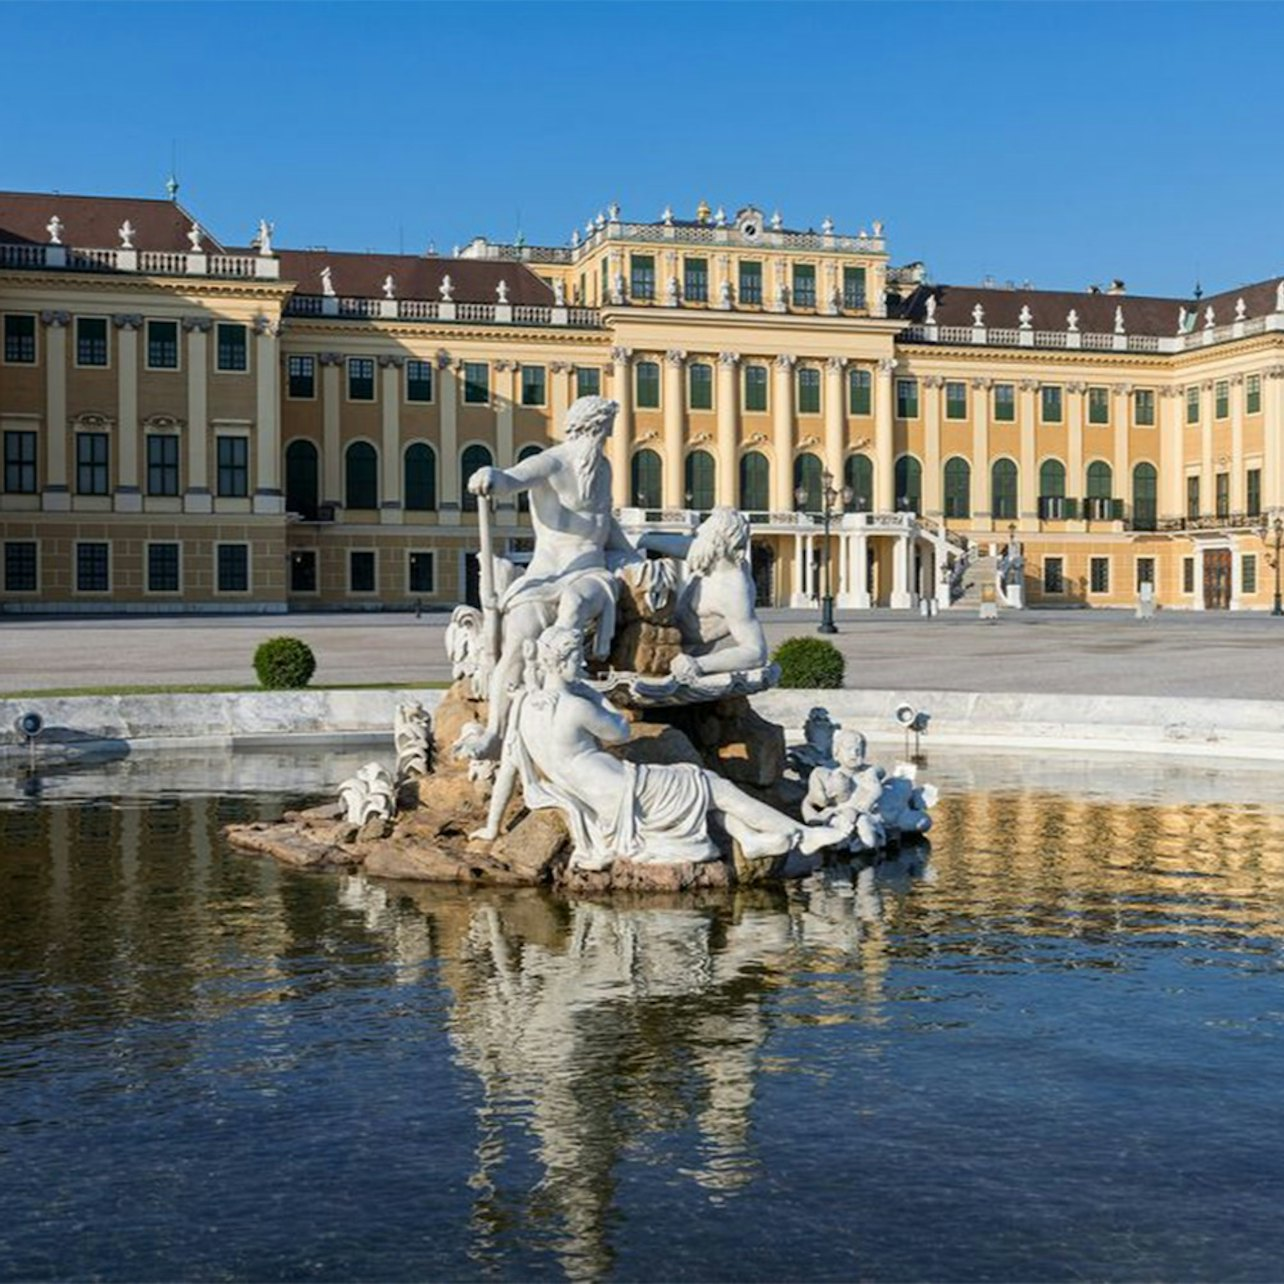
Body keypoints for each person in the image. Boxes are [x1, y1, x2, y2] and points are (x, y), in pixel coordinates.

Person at [472, 627, 853, 869]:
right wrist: (594, 694)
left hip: (607, 792)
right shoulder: (576, 705)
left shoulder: (522, 706)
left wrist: (491, 828)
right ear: (561, 661)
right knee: (708, 783)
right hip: (621, 795)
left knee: (697, 789)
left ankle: (750, 838)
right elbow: (620, 732)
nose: (584, 663)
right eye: (577, 658)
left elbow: (508, 769)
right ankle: (804, 835)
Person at [460, 395, 642, 759]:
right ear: (589, 426)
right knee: (517, 641)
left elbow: (604, 525)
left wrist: (637, 558)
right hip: (546, 575)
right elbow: (511, 479)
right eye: (604, 428)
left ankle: (565, 712)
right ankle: (495, 732)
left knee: (574, 605)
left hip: (590, 573)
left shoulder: (601, 468)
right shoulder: (552, 461)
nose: (604, 436)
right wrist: (491, 477)